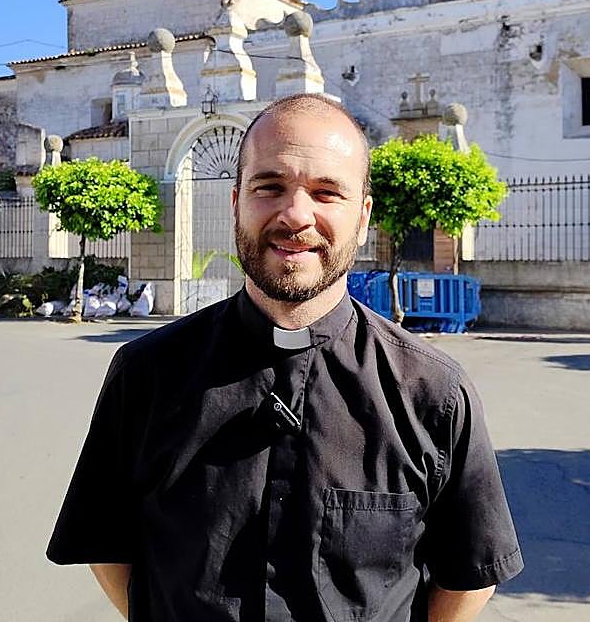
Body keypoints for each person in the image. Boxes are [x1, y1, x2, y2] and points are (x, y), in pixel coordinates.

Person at [47, 93, 522, 621]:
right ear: (236, 204)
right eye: (269, 187)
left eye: (326, 192)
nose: (296, 214)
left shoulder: (432, 392)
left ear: (363, 217)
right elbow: (105, 545)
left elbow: (469, 574)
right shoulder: (146, 375)